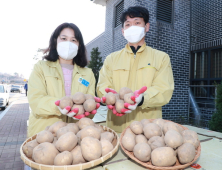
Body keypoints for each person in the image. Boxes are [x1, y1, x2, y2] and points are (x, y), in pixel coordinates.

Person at [97, 6, 174, 133]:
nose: (132, 27)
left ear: (146, 27)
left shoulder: (161, 58)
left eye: (137, 23)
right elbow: (102, 85)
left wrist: (142, 99)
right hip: (117, 127)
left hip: (148, 130)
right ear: (123, 31)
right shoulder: (111, 59)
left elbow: (164, 89)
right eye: (128, 24)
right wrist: (109, 97)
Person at [27, 23, 100, 138]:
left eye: (73, 40)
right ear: (55, 41)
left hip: (75, 135)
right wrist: (60, 106)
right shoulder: (41, 67)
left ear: (79, 45)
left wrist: (90, 109)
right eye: (64, 38)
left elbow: (88, 107)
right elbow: (35, 100)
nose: (68, 43)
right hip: (44, 133)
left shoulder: (87, 74)